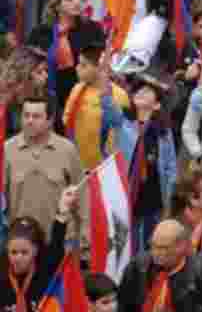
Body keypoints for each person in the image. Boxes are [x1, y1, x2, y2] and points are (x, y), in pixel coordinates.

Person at [111, 73, 178, 249]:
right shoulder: (123, 121)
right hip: (126, 193)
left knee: (150, 241)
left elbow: (171, 167)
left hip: (152, 196)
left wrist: (168, 200)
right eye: (138, 90)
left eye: (147, 91)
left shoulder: (163, 132)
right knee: (126, 243)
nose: (140, 92)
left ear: (156, 105)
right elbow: (106, 103)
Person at [3, 95, 83, 233]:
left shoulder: (67, 150)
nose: (29, 121)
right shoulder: (7, 150)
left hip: (59, 240)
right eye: (26, 115)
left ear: (50, 120)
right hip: (21, 244)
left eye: (36, 116)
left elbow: (81, 195)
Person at [63, 44, 130, 170]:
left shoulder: (119, 95)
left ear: (100, 68)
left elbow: (121, 134)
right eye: (78, 64)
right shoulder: (77, 89)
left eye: (84, 65)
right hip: (77, 163)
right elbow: (67, 120)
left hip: (103, 167)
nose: (77, 68)